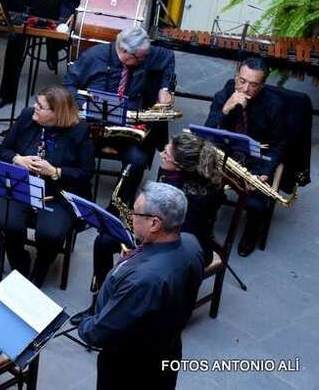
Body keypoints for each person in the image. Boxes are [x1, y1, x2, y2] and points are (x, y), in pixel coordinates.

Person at [71, 132, 224, 325]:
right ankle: (98, 305)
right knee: (103, 242)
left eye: (167, 154)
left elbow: (184, 237)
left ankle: (133, 312)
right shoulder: (167, 172)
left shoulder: (201, 198)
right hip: (157, 230)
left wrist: (141, 247)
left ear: (180, 166)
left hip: (186, 247)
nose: (161, 154)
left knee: (139, 267)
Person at [78, 182, 205, 390]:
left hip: (130, 369)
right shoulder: (192, 243)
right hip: (168, 350)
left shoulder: (142, 280)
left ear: (155, 223)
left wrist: (85, 324)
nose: (131, 217)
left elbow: (97, 333)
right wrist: (138, 258)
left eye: (136, 213)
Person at [64, 25, 176, 205]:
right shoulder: (93, 57)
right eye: (140, 58)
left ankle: (117, 207)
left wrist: (165, 88)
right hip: (92, 127)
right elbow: (69, 84)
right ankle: (77, 201)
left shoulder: (143, 53)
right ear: (124, 51)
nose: (144, 61)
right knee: (73, 155)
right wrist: (83, 103)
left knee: (137, 161)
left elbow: (168, 57)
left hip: (127, 130)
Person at [0, 85, 94, 286]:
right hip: (22, 185)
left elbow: (85, 174)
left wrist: (55, 171)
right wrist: (18, 159)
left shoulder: (79, 131)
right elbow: (3, 149)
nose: (35, 108)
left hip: (59, 193)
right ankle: (20, 264)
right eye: (36, 103)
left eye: (40, 106)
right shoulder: (27, 117)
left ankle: (42, 266)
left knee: (50, 234)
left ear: (56, 113)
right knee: (7, 224)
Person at [205, 56, 285, 257]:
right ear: (236, 77)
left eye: (253, 84)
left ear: (262, 85)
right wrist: (225, 109)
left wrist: (265, 173)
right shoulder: (225, 93)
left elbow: (277, 145)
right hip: (224, 155)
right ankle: (205, 228)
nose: (245, 89)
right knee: (204, 189)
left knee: (256, 205)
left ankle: (251, 233)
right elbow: (207, 131)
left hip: (254, 161)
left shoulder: (274, 105)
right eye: (242, 81)